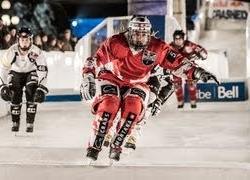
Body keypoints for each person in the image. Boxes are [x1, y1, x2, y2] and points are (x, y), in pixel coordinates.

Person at [80, 15, 219, 162]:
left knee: (134, 109)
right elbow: (96, 59)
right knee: (109, 104)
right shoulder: (116, 42)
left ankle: (119, 143)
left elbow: (178, 63)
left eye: (143, 35)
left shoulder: (158, 47)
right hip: (111, 77)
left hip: (139, 82)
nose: (140, 38)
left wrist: (198, 72)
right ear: (129, 32)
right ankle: (96, 142)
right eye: (136, 34)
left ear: (150, 34)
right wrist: (88, 76)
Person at [0, 27, 48, 133]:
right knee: (15, 94)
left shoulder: (36, 51)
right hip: (16, 72)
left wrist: (42, 88)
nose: (24, 43)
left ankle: (30, 122)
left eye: (27, 40)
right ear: (18, 40)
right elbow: (2, 69)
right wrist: (3, 86)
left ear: (31, 40)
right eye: (22, 40)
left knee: (32, 91)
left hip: (31, 72)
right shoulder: (11, 51)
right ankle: (15, 122)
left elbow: (43, 71)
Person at [170, 30, 208, 108]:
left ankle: (193, 102)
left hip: (189, 67)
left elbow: (201, 50)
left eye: (180, 39)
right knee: (177, 86)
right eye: (176, 39)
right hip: (176, 68)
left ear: (183, 39)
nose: (178, 41)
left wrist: (202, 55)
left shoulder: (190, 45)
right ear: (173, 40)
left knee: (191, 84)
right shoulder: (170, 47)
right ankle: (180, 102)